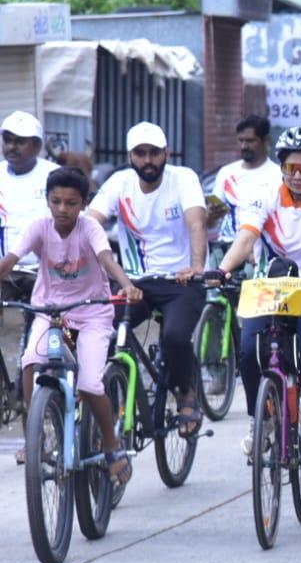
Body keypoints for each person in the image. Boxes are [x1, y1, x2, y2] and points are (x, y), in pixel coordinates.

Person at [208, 127, 301, 484]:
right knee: (247, 350)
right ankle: (265, 421)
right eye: (291, 168)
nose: (298, 176)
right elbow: (247, 238)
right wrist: (223, 270)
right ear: (282, 168)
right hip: (273, 287)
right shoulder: (265, 193)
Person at [0, 165, 141, 481]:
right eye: (56, 201)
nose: (62, 209)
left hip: (92, 313)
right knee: (29, 362)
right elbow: (10, 259)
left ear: (84, 204)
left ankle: (110, 444)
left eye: (71, 203)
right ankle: (34, 435)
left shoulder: (90, 229)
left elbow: (107, 259)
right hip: (50, 312)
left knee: (90, 384)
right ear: (48, 201)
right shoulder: (39, 227)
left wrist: (127, 285)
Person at [88, 121, 209, 436]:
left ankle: (186, 392)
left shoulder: (183, 179)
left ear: (166, 152)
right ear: (130, 156)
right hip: (135, 283)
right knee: (97, 329)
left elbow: (196, 222)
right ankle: (108, 394)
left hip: (181, 280)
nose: (148, 160)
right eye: (140, 154)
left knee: (175, 337)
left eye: (154, 152)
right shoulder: (119, 183)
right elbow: (91, 223)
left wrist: (196, 265)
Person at [208, 115, 278, 256]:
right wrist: (211, 215)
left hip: (262, 253)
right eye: (241, 140)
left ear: (266, 141)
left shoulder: (278, 175)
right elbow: (210, 224)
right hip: (226, 250)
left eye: (250, 141)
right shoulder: (227, 173)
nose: (244, 146)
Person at [1, 111, 57, 281]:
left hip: (46, 272)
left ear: (37, 146)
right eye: (7, 140)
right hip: (4, 272)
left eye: (20, 142)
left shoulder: (55, 175)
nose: (11, 147)